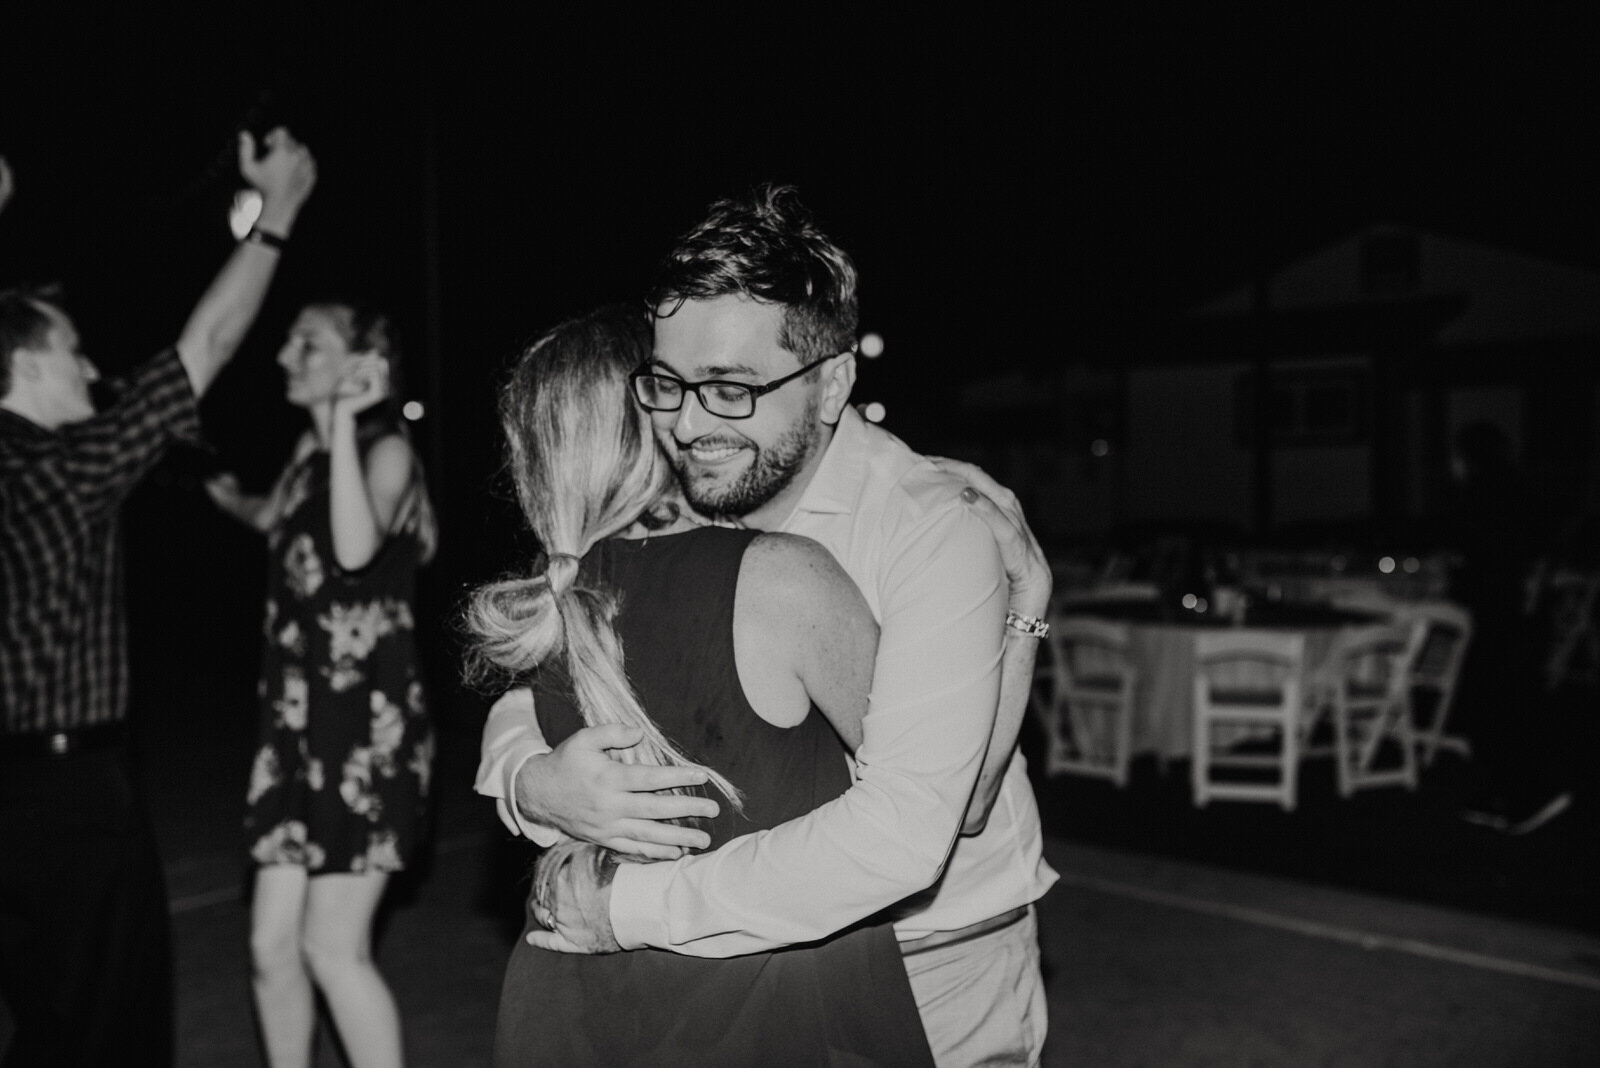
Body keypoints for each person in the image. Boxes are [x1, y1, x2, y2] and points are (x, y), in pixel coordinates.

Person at [478, 185, 1058, 1066]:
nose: (687, 421)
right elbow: (550, 671)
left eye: (732, 388)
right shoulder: (681, 508)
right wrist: (530, 782)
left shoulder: (930, 527)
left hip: (931, 959)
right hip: (726, 984)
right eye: (669, 384)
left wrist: (625, 908)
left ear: (832, 384)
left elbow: (929, 818)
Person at [464, 305, 935, 1066]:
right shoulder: (784, 577)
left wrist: (519, 777)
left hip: (572, 1010)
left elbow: (511, 721)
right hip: (771, 1013)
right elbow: (951, 798)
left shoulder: (543, 611)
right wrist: (1023, 624)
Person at [0, 129, 315, 1067]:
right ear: (18, 368)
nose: (92, 371)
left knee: (48, 1017)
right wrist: (282, 212)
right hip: (71, 798)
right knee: (106, 1026)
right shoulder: (61, 467)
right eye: (74, 354)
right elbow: (205, 345)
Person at [205, 299, 437, 1068]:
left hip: (363, 735)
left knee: (333, 951)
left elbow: (351, 547)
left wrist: (344, 418)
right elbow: (272, 515)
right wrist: (213, 482)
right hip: (296, 731)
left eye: (309, 344)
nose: (285, 355)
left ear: (361, 364)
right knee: (271, 949)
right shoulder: (310, 451)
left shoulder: (387, 452)